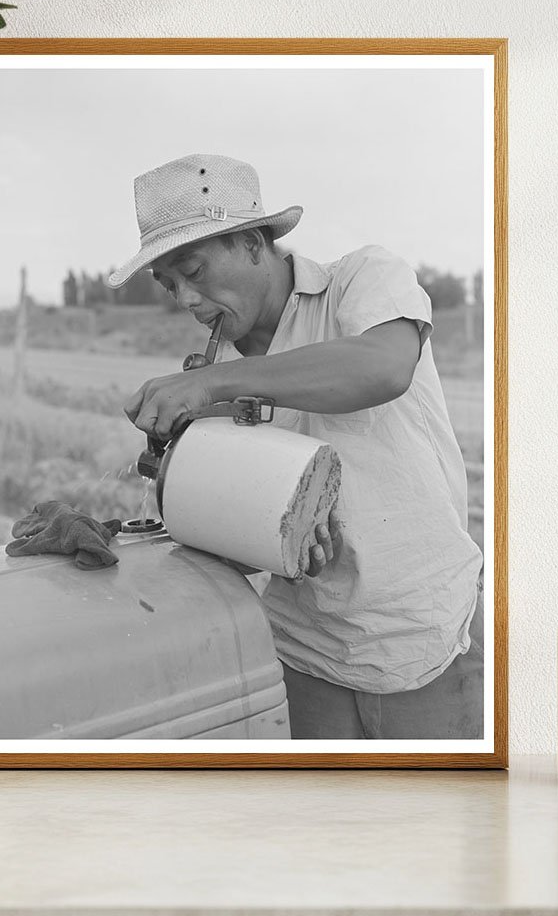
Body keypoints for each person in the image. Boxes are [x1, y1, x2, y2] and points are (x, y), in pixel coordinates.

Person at [106, 153, 484, 740]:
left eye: (195, 272)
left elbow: (383, 369)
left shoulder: (362, 279)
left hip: (418, 632)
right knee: (324, 826)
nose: (185, 300)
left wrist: (212, 384)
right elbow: (246, 524)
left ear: (255, 241)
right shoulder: (216, 371)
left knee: (427, 825)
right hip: (302, 648)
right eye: (169, 285)